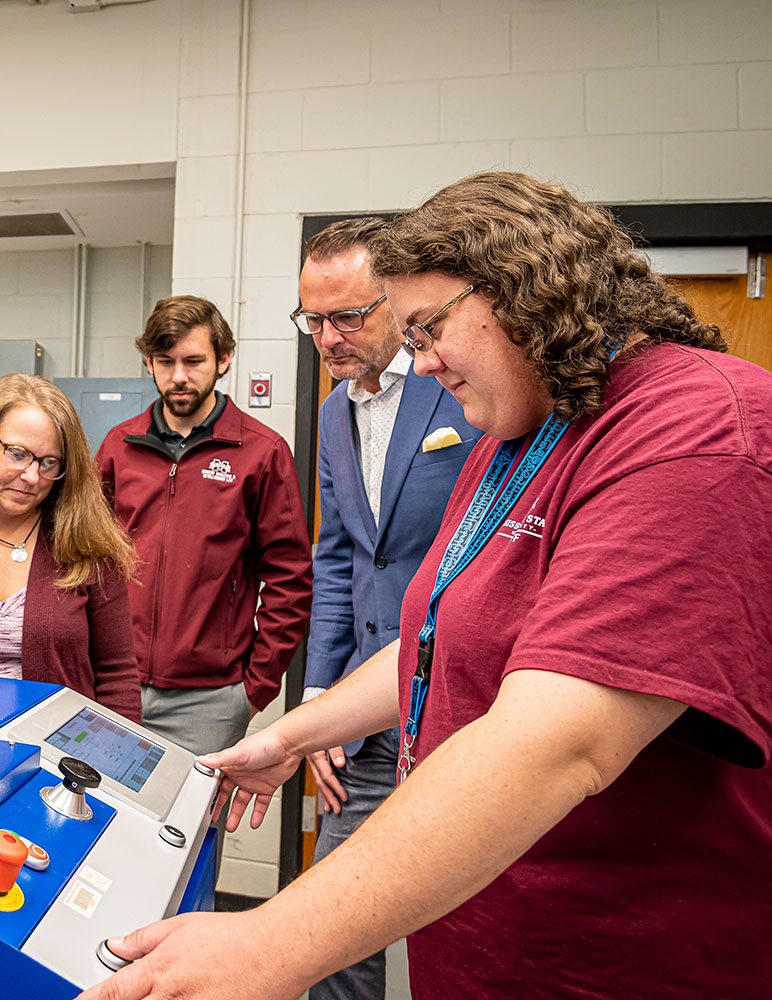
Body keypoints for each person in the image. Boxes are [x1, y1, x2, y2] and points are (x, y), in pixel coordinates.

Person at [78, 171, 772, 1000]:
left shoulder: (695, 431)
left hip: (625, 957)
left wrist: (272, 944)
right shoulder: (522, 429)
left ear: (524, 288)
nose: (422, 359)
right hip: (494, 943)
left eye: (429, 327)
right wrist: (299, 732)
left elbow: (563, 740)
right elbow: (438, 631)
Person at [294, 217, 479, 1000]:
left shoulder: (460, 383)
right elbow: (340, 559)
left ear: (394, 304)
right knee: (331, 934)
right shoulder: (335, 413)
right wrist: (318, 703)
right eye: (313, 320)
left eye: (349, 316)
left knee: (472, 928)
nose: (329, 337)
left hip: (466, 711)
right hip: (366, 716)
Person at [96, 296, 311, 755]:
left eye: (193, 361)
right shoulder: (118, 447)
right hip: (115, 688)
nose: (178, 377)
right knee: (106, 823)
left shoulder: (262, 452)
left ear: (223, 359)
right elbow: (85, 559)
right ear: (149, 363)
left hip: (209, 701)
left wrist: (256, 689)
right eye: (165, 362)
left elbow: (290, 579)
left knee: (189, 828)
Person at [0, 374, 140, 721]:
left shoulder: (87, 547)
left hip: (56, 764)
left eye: (48, 463)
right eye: (17, 454)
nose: (31, 476)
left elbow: (117, 676)